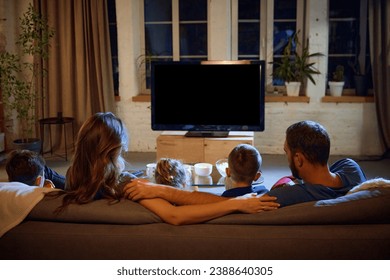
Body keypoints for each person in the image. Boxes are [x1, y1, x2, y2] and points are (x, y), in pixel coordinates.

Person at [55, 112, 279, 222]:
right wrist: (234, 204)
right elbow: (174, 215)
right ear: (114, 150)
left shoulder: (72, 178)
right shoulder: (125, 184)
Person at [124, 120, 367, 208]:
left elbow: (220, 202)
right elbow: (326, 175)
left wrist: (157, 189)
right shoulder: (351, 169)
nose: (284, 156)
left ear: (299, 159)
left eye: (286, 152)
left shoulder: (290, 197)